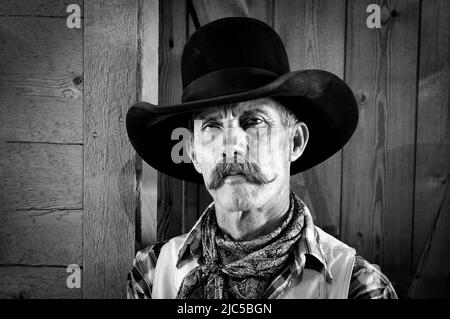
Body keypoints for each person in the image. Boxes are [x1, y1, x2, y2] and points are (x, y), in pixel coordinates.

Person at [125, 17, 397, 299]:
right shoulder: (153, 273)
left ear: (295, 141)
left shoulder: (357, 286)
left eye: (253, 120)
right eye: (211, 126)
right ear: (194, 153)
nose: (230, 147)